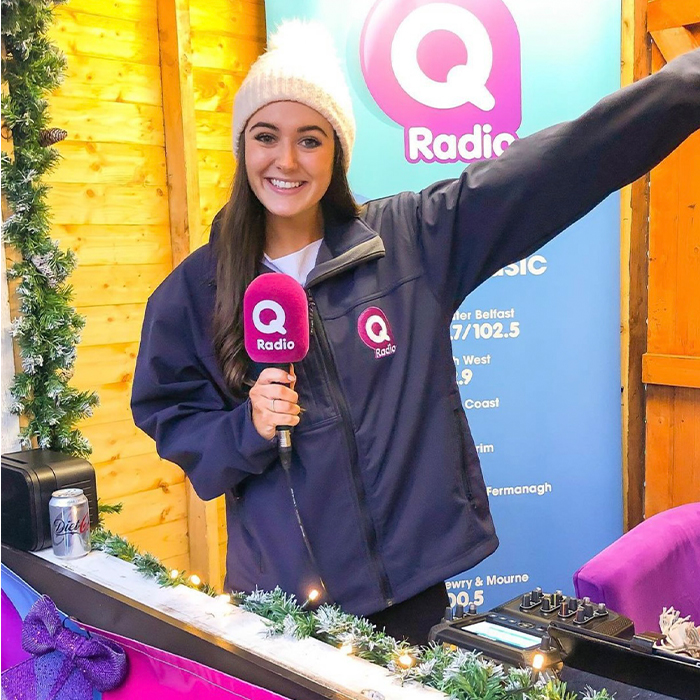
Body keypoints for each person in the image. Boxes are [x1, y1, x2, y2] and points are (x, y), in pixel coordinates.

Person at [132, 20, 700, 645]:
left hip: (411, 595)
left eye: (310, 140)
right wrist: (250, 427)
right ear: (244, 148)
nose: (286, 161)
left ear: (338, 152)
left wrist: (688, 83)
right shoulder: (196, 292)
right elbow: (171, 416)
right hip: (282, 609)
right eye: (266, 137)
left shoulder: (408, 242)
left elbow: (561, 163)